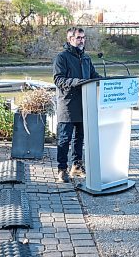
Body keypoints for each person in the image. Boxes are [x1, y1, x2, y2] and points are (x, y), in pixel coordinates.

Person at [53, 27, 101, 183]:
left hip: (84, 103)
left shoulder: (86, 58)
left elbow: (93, 76)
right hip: (67, 105)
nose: (82, 40)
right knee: (64, 139)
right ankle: (62, 169)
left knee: (79, 138)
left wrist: (108, 82)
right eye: (79, 38)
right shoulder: (62, 57)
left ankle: (77, 166)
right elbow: (58, 80)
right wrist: (76, 82)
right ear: (70, 39)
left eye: (83, 37)